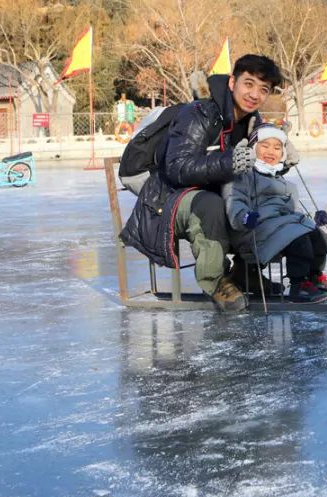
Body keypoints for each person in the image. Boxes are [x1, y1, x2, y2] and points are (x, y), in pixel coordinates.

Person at [120, 54, 282, 312]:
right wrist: (228, 163)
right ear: (232, 83)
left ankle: (246, 270)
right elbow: (177, 168)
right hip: (167, 197)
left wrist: (279, 163)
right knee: (212, 205)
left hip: (208, 194)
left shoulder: (252, 122)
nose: (254, 94)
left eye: (263, 89)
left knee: (262, 198)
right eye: (248, 84)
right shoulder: (200, 113)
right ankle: (215, 281)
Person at [223, 123, 327, 303]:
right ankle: (299, 285)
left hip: (279, 228)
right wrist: (244, 217)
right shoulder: (243, 174)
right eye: (265, 145)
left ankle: (314, 277)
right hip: (255, 230)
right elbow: (234, 200)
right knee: (299, 240)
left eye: (277, 148)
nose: (271, 151)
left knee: (317, 237)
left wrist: (312, 221)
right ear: (253, 147)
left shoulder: (277, 176)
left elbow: (293, 212)